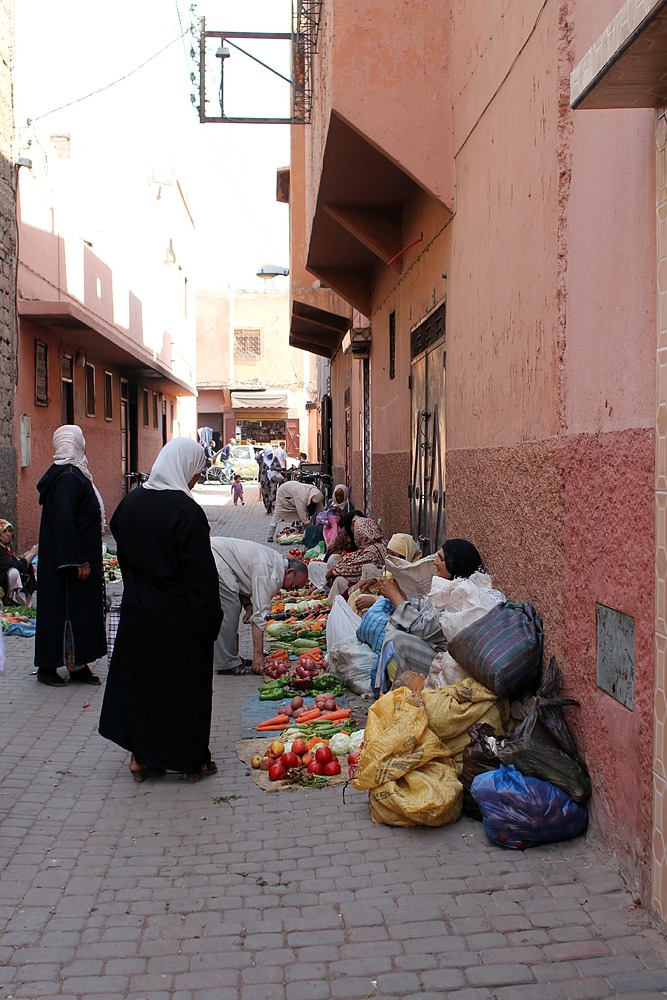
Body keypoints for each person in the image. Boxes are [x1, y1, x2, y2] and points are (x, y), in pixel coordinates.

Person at [99, 438, 223, 783]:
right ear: (184, 468)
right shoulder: (186, 512)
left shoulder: (131, 503)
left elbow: (120, 541)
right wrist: (209, 620)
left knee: (145, 687)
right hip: (179, 620)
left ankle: (141, 758)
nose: (195, 480)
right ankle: (189, 760)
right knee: (184, 690)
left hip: (139, 612)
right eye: (196, 473)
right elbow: (199, 576)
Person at [34, 425, 107, 686]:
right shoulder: (67, 477)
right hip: (69, 566)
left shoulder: (72, 474)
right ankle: (48, 667)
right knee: (62, 612)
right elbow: (65, 518)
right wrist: (78, 559)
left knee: (75, 612)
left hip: (68, 562)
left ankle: (77, 664)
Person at [377, 538, 485, 685]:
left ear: (455, 565)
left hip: (445, 664)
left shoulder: (461, 596)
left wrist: (396, 597)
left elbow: (424, 627)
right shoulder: (447, 588)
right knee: (393, 628)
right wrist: (401, 595)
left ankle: (398, 692)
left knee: (398, 640)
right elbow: (425, 607)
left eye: (441, 559)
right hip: (433, 649)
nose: (435, 562)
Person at [210, 537, 308, 675]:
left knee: (232, 604)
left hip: (218, 554)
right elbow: (259, 619)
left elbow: (243, 578)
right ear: (290, 572)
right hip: (214, 556)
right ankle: (226, 664)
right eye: (293, 586)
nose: (290, 590)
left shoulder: (277, 564)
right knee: (230, 608)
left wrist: (248, 605)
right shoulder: (271, 575)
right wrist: (258, 655)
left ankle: (231, 658)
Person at [326, 515, 387, 600]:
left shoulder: (373, 549)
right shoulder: (376, 543)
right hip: (373, 582)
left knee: (340, 581)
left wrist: (334, 571)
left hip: (374, 587)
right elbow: (354, 557)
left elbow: (356, 566)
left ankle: (333, 605)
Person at [0, 519, 37, 607]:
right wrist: (31, 555)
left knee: (29, 568)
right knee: (13, 572)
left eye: (9, 531)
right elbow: (13, 566)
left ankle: (26, 603)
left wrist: (25, 558)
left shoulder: (6, 548)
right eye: (4, 531)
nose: (8, 534)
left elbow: (14, 562)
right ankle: (9, 600)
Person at [258, 446, 284, 516]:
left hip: (273, 480)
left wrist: (274, 468)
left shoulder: (275, 459)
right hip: (264, 481)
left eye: (271, 455)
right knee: (265, 495)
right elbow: (257, 456)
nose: (270, 456)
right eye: (269, 455)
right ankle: (267, 509)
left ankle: (273, 509)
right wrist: (262, 451)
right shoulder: (261, 460)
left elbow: (280, 468)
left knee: (273, 494)